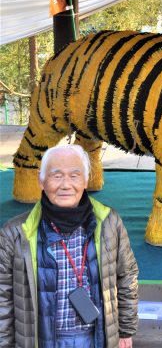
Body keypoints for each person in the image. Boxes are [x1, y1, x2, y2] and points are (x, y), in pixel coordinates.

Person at [0, 144, 139, 347]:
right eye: (56, 176)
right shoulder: (15, 232)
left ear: (85, 180)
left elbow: (127, 276)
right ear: (41, 180)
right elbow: (2, 293)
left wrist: (126, 330)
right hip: (41, 339)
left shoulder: (109, 223)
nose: (66, 185)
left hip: (94, 337)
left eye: (74, 175)